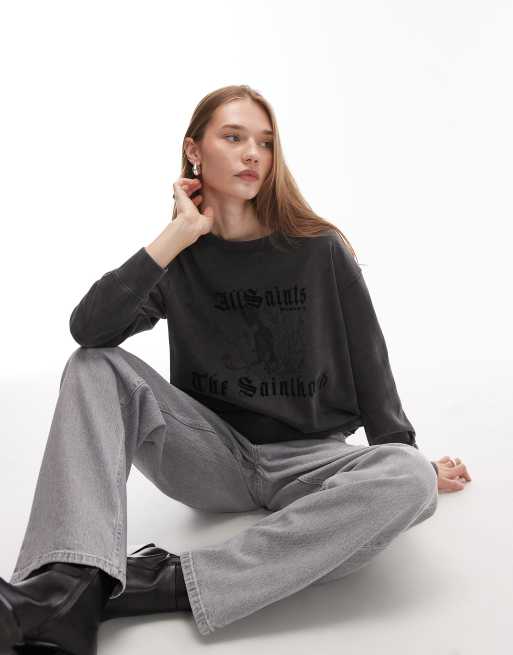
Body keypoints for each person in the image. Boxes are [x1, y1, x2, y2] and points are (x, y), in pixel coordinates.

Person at [0, 84, 472, 650]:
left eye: (265, 143)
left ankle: (144, 585)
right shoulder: (180, 258)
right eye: (233, 137)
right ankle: (64, 580)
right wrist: (176, 236)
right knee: (93, 366)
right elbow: (89, 330)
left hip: (308, 459)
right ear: (193, 150)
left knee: (408, 477)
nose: (253, 154)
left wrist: (403, 451)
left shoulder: (318, 249)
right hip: (211, 456)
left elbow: (369, 357)